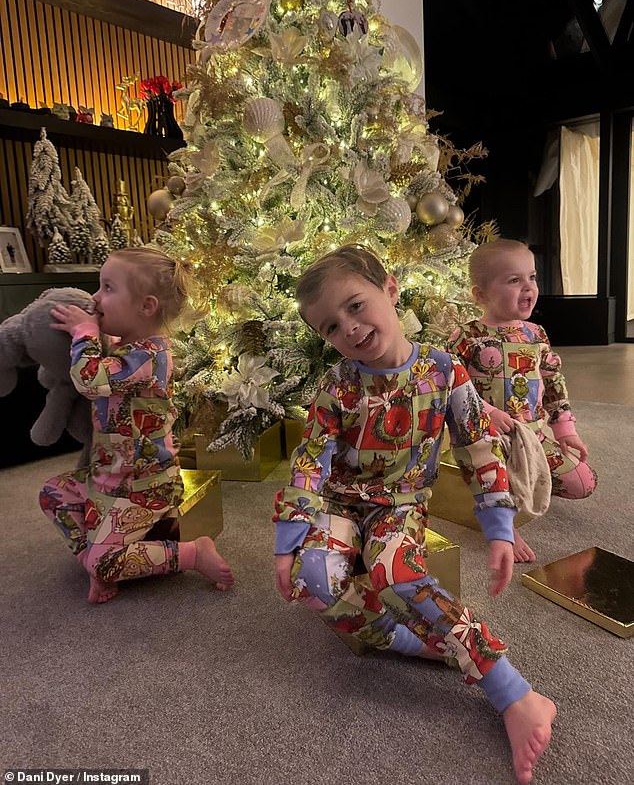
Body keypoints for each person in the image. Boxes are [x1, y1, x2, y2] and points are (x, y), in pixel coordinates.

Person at [273, 244, 556, 785]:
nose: (349, 330)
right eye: (331, 327)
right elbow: (309, 460)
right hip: (339, 500)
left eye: (355, 307)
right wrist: (288, 539)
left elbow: (479, 450)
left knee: (396, 574)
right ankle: (409, 642)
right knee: (314, 581)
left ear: (391, 288)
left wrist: (499, 528)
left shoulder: (445, 372)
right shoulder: (337, 385)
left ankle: (514, 693)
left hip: (400, 502)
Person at [40, 246, 234, 604]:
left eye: (108, 288)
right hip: (107, 479)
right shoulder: (124, 346)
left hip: (144, 488)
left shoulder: (150, 356)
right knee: (52, 492)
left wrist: (84, 333)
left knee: (105, 562)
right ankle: (94, 560)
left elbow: (90, 379)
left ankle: (191, 553)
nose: (96, 299)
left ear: (146, 307)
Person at [447, 238, 597, 562]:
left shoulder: (536, 334)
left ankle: (525, 483)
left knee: (583, 482)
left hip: (532, 431)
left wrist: (566, 431)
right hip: (489, 435)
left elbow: (554, 382)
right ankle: (501, 524)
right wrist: (484, 412)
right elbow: (448, 382)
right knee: (491, 468)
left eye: (531, 277)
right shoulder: (467, 336)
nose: (528, 287)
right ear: (481, 294)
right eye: (514, 280)